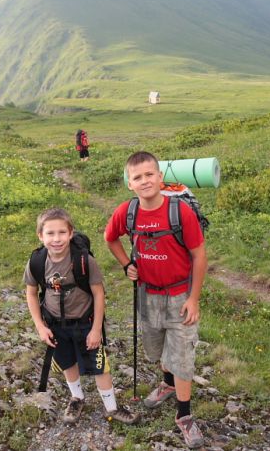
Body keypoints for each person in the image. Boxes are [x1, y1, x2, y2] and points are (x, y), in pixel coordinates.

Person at [105, 151, 207, 448]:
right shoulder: (127, 212)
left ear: (160, 177)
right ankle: (167, 384)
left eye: (150, 174)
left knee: (183, 356)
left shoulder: (180, 212)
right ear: (129, 184)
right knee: (158, 347)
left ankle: (184, 416)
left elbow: (200, 256)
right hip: (147, 294)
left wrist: (194, 299)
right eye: (137, 177)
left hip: (179, 296)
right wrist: (127, 264)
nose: (145, 180)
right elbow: (110, 238)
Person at [24, 208, 138, 425]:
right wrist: (40, 326)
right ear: (40, 235)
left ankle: (111, 407)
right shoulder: (36, 262)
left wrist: (96, 329)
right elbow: (31, 293)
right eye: (50, 233)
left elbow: (98, 292)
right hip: (55, 324)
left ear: (70, 233)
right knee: (67, 362)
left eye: (61, 233)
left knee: (99, 365)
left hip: (85, 323)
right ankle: (77, 398)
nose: (56, 239)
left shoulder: (84, 260)